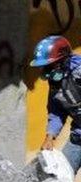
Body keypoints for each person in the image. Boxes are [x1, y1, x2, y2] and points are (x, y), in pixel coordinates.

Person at [32, 36, 81, 171]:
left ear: (63, 60)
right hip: (78, 137)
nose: (45, 72)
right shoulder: (56, 82)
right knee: (61, 175)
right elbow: (56, 111)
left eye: (48, 66)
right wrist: (50, 136)